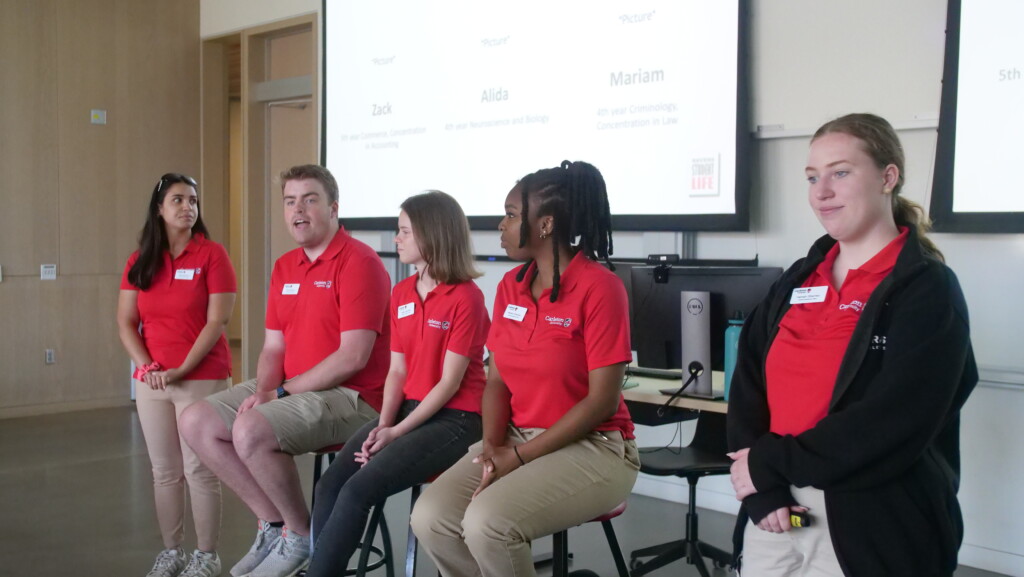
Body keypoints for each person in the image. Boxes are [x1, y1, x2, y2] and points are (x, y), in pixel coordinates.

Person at [726, 113, 977, 576]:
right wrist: (764, 488)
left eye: (840, 173)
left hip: (869, 516)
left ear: (888, 177)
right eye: (812, 177)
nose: (821, 192)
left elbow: (895, 419)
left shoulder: (927, 290)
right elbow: (748, 385)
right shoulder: (799, 279)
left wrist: (769, 462)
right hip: (778, 505)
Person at [410, 160, 640, 577]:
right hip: (515, 438)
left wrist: (517, 457)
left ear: (546, 225)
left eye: (512, 214)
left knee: (488, 524)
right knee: (431, 517)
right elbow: (496, 381)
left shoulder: (600, 288)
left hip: (596, 446)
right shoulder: (509, 286)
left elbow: (602, 401)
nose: (502, 224)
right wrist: (494, 450)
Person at [179, 164, 391, 577]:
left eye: (310, 199)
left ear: (333, 208)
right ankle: (275, 525)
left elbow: (353, 357)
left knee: (251, 429)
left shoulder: (359, 262)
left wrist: (277, 396)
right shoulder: (285, 266)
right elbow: (274, 347)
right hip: (294, 387)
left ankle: (300, 534)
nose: (299, 210)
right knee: (196, 421)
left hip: (354, 397)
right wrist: (267, 391)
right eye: (290, 201)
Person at [305, 190, 489, 576]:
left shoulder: (466, 298)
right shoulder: (402, 292)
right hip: (408, 410)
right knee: (331, 484)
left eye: (404, 231)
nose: (396, 239)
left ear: (431, 234)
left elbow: (449, 383)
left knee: (359, 490)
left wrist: (395, 433)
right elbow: (397, 372)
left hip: (456, 419)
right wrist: (385, 425)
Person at [118, 173, 237, 577]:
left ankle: (206, 555)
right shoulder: (140, 260)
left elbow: (217, 320)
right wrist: (147, 366)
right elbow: (125, 322)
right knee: (164, 471)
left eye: (193, 200)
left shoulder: (212, 255)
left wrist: (182, 369)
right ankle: (172, 552)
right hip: (153, 382)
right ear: (159, 209)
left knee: (199, 468)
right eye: (177, 200)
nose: (188, 207)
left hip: (199, 377)